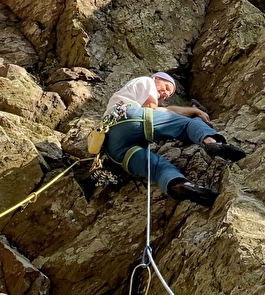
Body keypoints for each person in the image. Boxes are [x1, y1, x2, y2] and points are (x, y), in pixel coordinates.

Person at [101, 71, 245, 208]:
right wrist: (194, 113)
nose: (164, 94)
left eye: (167, 95)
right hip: (128, 117)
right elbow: (154, 110)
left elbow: (164, 112)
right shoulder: (146, 81)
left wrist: (191, 110)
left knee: (158, 167)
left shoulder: (133, 95)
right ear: (157, 78)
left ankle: (181, 186)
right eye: (166, 87)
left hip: (113, 147)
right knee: (187, 125)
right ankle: (211, 143)